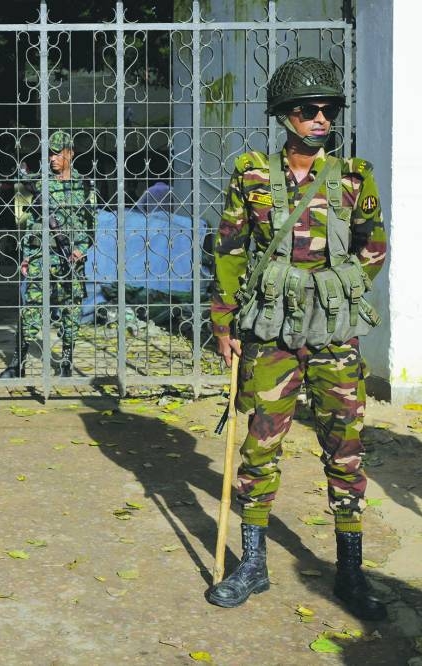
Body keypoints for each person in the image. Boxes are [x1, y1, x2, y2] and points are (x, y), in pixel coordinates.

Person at [207, 57, 387, 620]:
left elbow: (374, 247)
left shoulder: (354, 176)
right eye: (308, 110)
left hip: (334, 333)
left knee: (346, 450)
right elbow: (231, 247)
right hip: (270, 333)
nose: (319, 119)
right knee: (260, 447)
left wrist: (340, 287)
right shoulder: (253, 175)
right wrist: (223, 319)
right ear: (284, 117)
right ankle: (254, 564)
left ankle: (350, 571)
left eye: (327, 110)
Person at [0, 130, 93, 378]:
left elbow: (91, 224)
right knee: (30, 308)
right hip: (42, 255)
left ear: (70, 154)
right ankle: (17, 364)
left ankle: (66, 362)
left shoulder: (83, 185)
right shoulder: (40, 184)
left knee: (70, 310)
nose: (52, 159)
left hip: (70, 257)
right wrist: (27, 255)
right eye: (50, 154)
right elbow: (31, 223)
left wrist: (80, 250)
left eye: (57, 153)